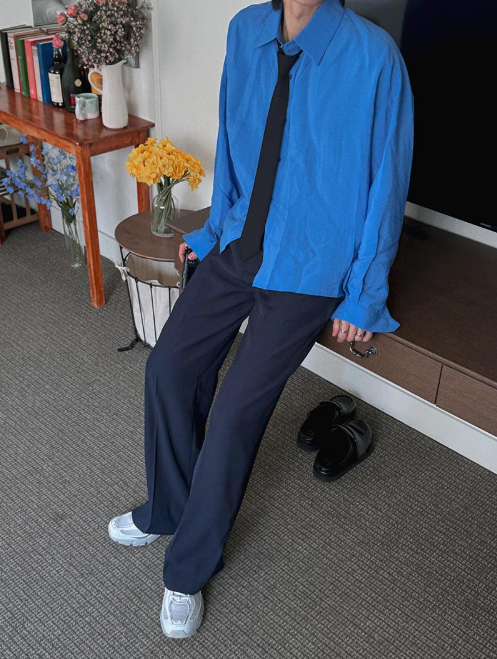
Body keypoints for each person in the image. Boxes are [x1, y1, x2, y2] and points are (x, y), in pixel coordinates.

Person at [108, 0, 414, 638]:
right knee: (168, 368)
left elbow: (388, 181)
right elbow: (233, 137)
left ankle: (188, 568)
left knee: (234, 416)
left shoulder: (373, 56)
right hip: (240, 243)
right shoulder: (246, 29)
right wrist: (214, 228)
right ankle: (168, 508)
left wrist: (363, 293)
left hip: (311, 266)